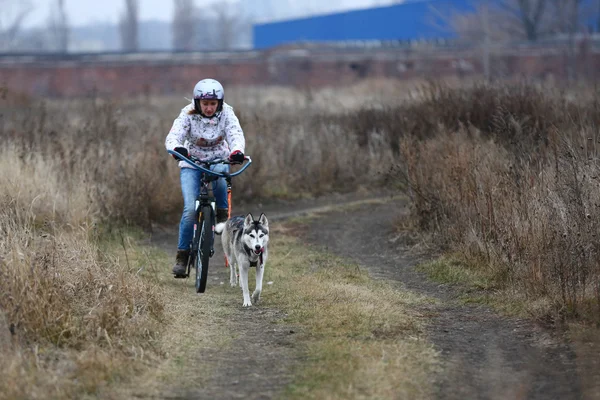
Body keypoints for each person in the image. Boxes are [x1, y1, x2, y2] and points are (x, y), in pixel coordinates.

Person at [165, 78, 246, 276]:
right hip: (191, 162)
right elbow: (174, 135)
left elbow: (235, 133)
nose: (209, 108)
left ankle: (221, 213)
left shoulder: (227, 112)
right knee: (189, 210)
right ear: (197, 103)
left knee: (220, 173)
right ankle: (182, 257)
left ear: (219, 103)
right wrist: (177, 148)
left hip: (218, 158)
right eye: (205, 104)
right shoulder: (187, 114)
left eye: (213, 104)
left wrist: (236, 151)